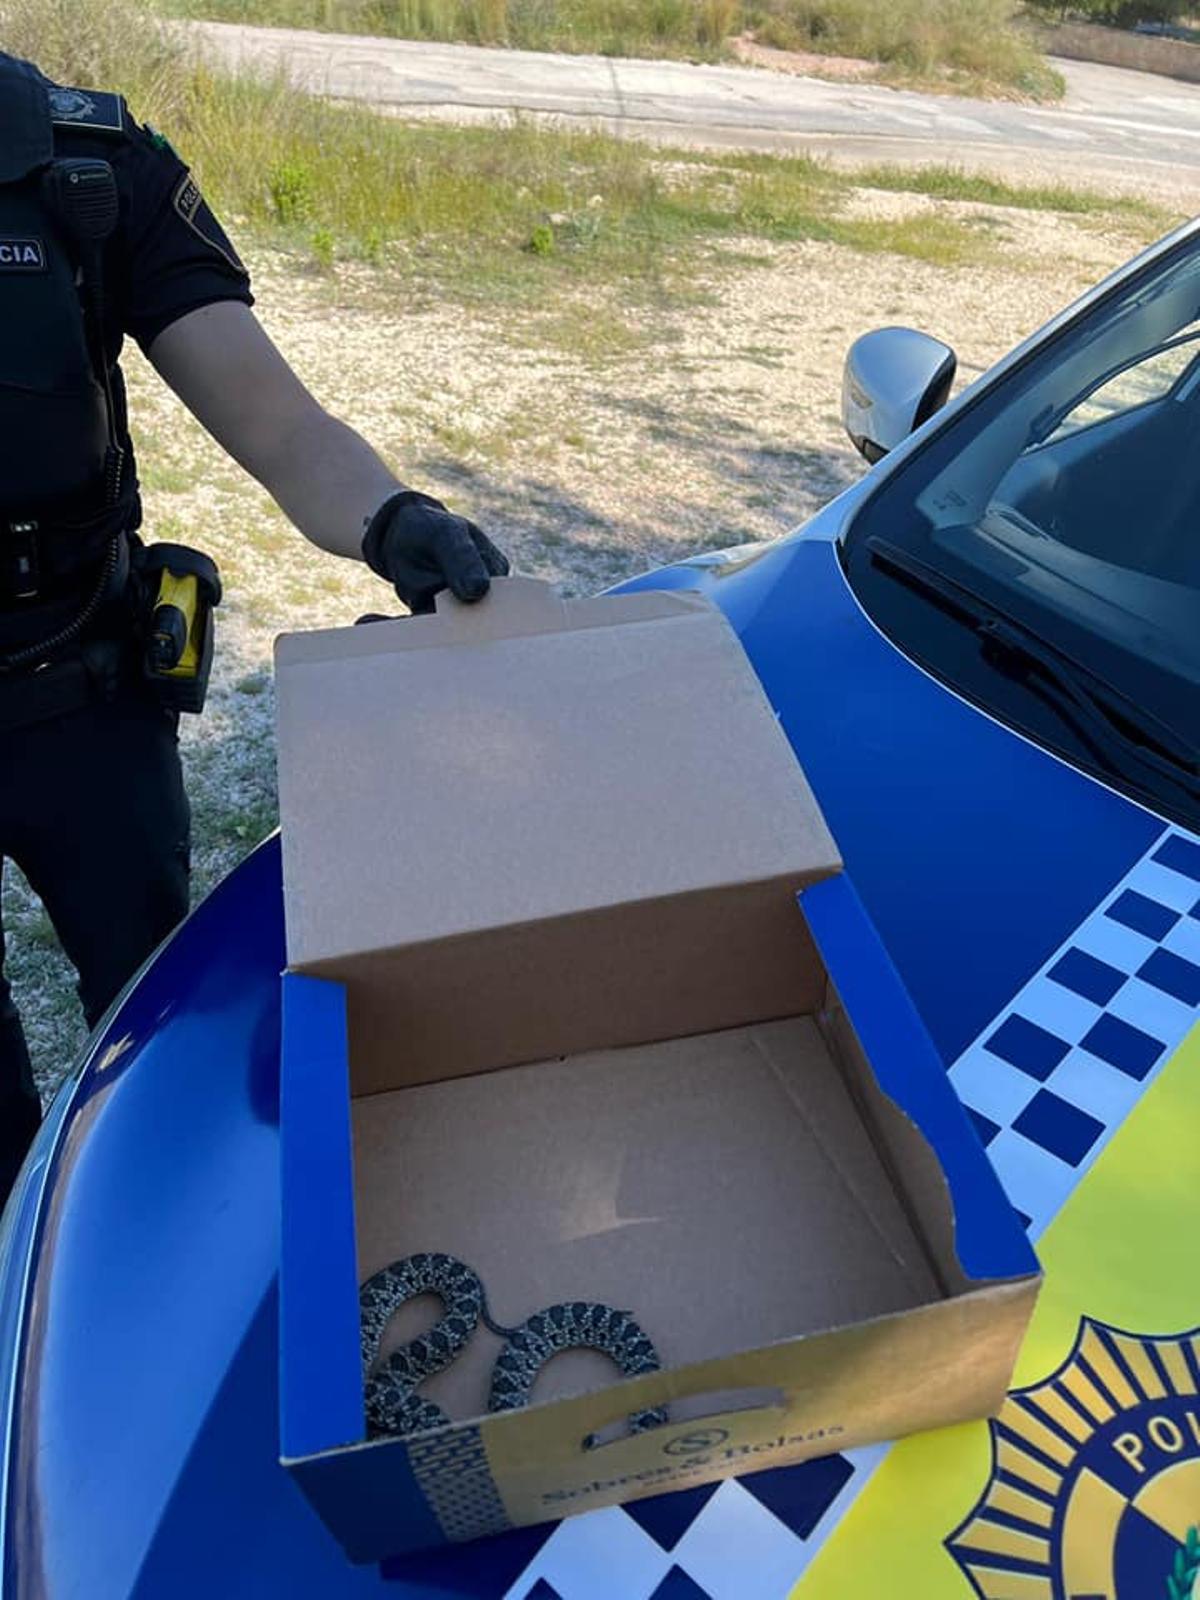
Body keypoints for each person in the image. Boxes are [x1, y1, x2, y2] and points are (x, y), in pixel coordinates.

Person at [0, 51, 510, 1201]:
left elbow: (277, 422)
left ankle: (166, 1228)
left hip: (81, 698)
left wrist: (390, 521)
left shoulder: (90, 166)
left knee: (157, 1030)